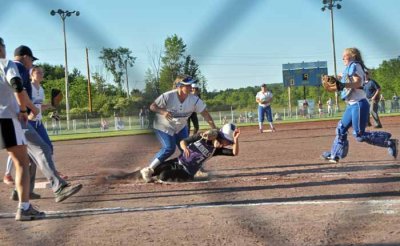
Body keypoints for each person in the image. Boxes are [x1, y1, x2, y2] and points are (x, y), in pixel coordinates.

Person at [9, 45, 82, 203]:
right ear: (26, 57)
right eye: (31, 60)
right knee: (43, 149)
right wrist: (30, 109)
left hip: (10, 119)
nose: (31, 65)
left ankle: (22, 190)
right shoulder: (18, 68)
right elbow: (20, 91)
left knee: (28, 157)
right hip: (17, 119)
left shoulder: (6, 67)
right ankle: (59, 187)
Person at [321, 47, 398, 163]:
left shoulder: (355, 65)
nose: (343, 58)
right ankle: (335, 155)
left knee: (359, 135)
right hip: (352, 105)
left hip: (359, 104)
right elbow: (348, 79)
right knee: (341, 129)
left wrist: (342, 85)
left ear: (353, 55)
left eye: (345, 55)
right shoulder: (349, 67)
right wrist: (339, 78)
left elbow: (358, 82)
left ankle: (390, 142)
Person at [140, 75, 216, 182]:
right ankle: (148, 170)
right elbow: (152, 106)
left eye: (191, 85)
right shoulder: (168, 96)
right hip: (163, 126)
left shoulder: (194, 100)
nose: (191, 87)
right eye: (188, 85)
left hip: (180, 127)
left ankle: (197, 169)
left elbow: (206, 114)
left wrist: (215, 129)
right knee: (169, 148)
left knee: (188, 148)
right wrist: (163, 112)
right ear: (180, 86)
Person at [0, 37, 45, 221]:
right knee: (22, 163)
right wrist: (23, 109)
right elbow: (17, 85)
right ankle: (24, 207)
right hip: (6, 118)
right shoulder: (6, 64)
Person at [140, 124, 240, 182]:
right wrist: (185, 149)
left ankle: (158, 179)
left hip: (186, 172)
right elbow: (183, 142)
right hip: (177, 161)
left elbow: (234, 153)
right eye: (227, 141)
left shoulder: (216, 150)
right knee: (155, 170)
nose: (227, 144)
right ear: (221, 137)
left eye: (229, 143)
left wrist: (235, 139)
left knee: (163, 176)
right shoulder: (201, 137)